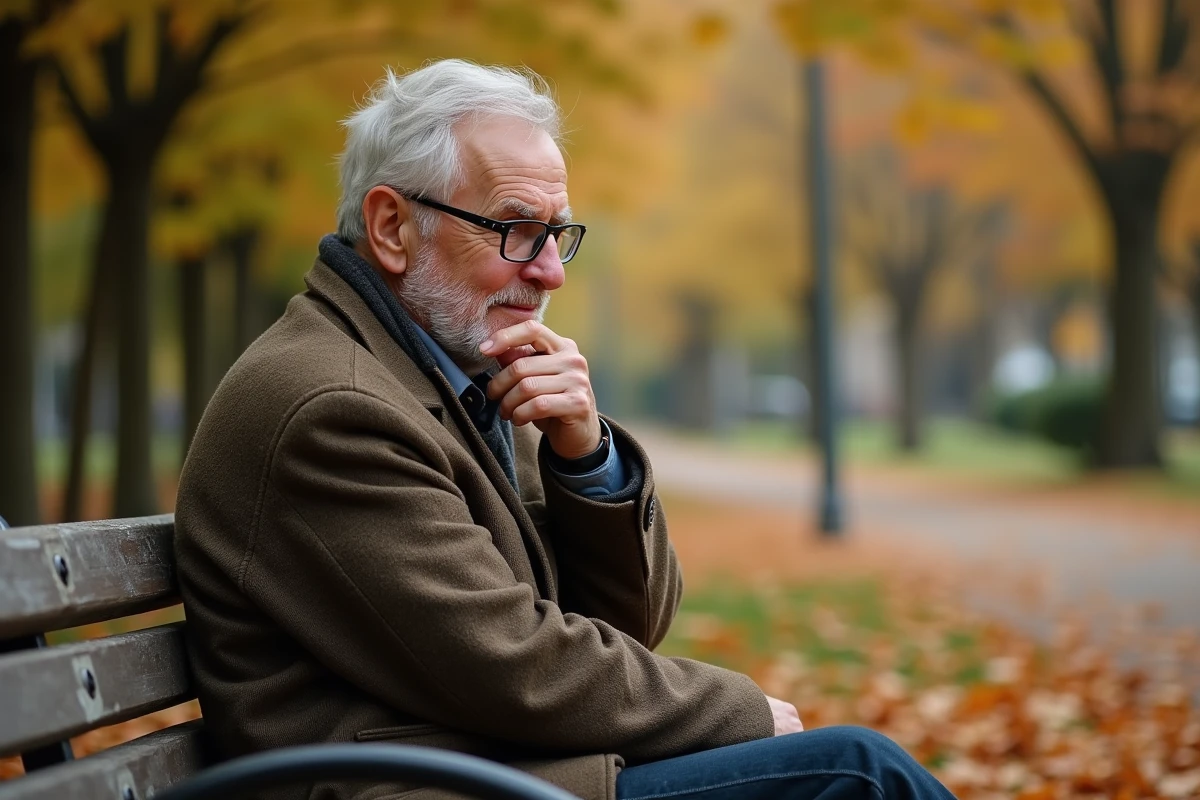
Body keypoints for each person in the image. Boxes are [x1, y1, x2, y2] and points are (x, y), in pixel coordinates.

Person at [175, 59, 956, 800]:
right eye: (516, 229)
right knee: (858, 774)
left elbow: (627, 628)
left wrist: (586, 457)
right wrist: (741, 710)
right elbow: (515, 667)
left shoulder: (457, 377)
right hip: (423, 783)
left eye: (558, 234)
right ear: (391, 227)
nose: (550, 271)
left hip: (494, 767)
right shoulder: (333, 407)